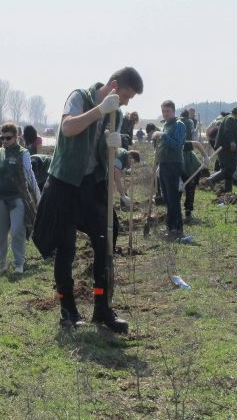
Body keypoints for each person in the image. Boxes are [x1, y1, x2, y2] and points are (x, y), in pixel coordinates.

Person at [33, 66, 143, 334]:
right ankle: (68, 311)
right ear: (114, 86)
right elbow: (68, 128)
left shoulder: (115, 113)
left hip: (91, 185)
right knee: (66, 246)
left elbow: (103, 152)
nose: (126, 103)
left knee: (106, 238)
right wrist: (99, 110)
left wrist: (113, 145)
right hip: (65, 183)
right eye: (126, 96)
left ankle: (102, 308)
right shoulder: (79, 97)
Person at [0, 123, 41, 274]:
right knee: (0, 233)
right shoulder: (0, 153)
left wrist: (38, 197)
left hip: (17, 196)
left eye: (8, 138)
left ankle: (19, 264)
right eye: (2, 138)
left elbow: (30, 176)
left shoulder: (23, 153)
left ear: (16, 137)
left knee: (17, 230)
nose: (4, 141)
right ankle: (1, 266)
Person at [152, 100, 187, 239]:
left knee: (173, 198)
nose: (165, 114)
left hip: (173, 164)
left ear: (173, 111)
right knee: (166, 197)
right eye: (163, 111)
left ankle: (176, 228)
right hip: (164, 163)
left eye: (167, 111)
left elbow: (177, 145)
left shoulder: (179, 125)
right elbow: (163, 145)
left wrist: (163, 136)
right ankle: (170, 226)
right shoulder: (166, 125)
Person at [180, 110, 210, 220]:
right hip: (182, 161)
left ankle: (183, 212)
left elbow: (195, 142)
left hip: (188, 161)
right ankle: (184, 211)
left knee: (186, 185)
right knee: (186, 186)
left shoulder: (180, 124)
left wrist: (205, 156)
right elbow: (195, 141)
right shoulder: (188, 122)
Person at [207, 107, 237, 192]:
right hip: (226, 148)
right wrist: (232, 142)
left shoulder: (230, 118)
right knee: (228, 169)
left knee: (230, 169)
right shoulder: (230, 119)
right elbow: (228, 131)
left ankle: (228, 191)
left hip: (227, 149)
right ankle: (212, 179)